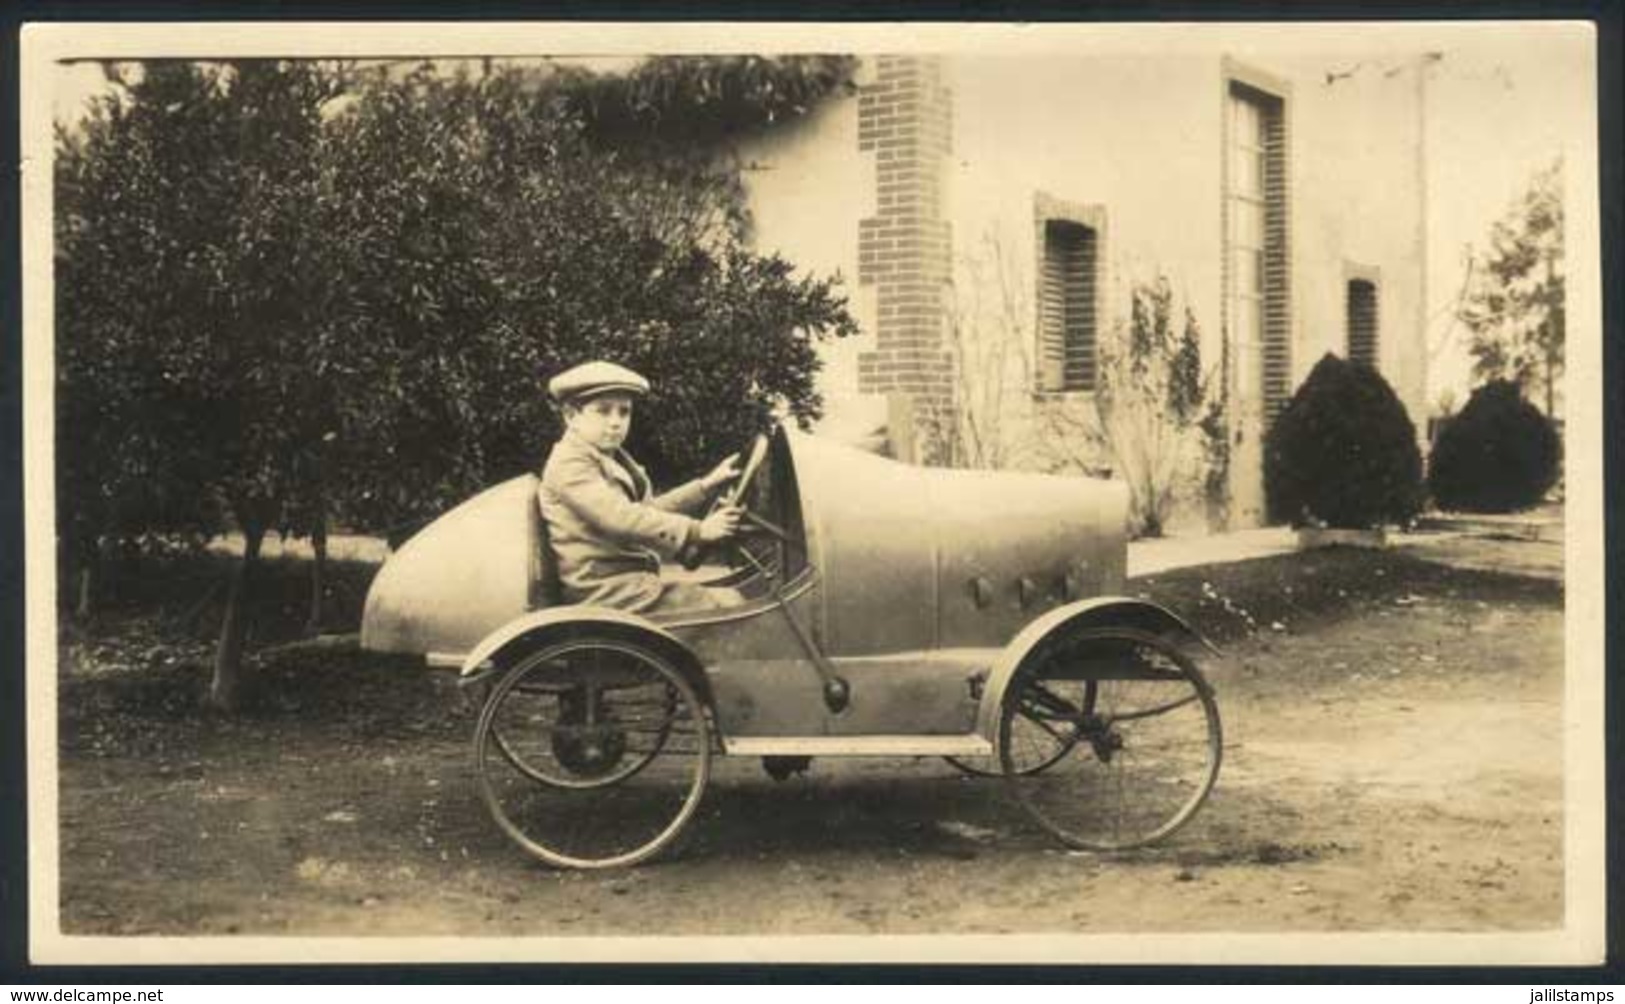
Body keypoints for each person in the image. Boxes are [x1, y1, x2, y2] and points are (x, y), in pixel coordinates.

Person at [538, 360, 744, 615]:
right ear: (571, 416)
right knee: (718, 610)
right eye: (603, 411)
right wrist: (697, 531)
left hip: (628, 582)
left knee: (730, 598)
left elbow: (645, 510)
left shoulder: (607, 458)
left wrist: (705, 486)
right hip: (604, 591)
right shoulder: (569, 463)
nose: (616, 422)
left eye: (624, 412)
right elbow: (620, 517)